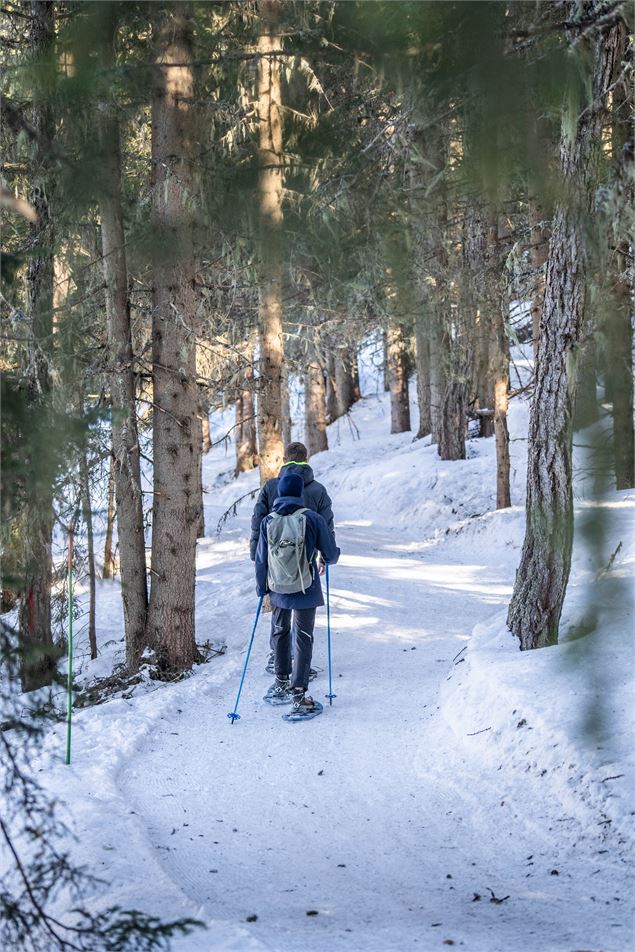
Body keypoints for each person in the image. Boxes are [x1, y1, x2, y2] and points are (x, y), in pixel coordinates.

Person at [255, 471, 340, 716]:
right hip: (306, 587)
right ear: (300, 493)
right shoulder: (312, 518)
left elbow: (262, 560)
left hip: (278, 588)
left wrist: (262, 589)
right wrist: (332, 555)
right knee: (303, 637)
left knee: (281, 631)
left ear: (280, 493)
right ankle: (299, 696)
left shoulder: (268, 521)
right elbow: (330, 554)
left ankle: (280, 682)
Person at [250, 441, 336, 674]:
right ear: (306, 460)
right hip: (306, 563)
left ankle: (277, 660)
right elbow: (326, 526)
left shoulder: (270, 487)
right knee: (303, 614)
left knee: (280, 612)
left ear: (284, 460)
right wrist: (325, 558)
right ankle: (300, 666)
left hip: (275, 561)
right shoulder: (318, 490)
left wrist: (256, 555)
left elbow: (259, 522)